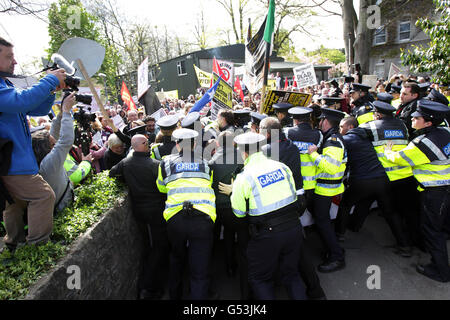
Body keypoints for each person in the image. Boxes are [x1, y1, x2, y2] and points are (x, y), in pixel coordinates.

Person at [0, 37, 66, 249]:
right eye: (9, 56)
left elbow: (33, 109)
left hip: (13, 161)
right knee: (43, 196)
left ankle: (13, 244)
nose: (15, 62)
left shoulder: (5, 85)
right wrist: (49, 80)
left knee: (14, 205)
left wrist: (50, 91)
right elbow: (22, 101)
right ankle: (37, 247)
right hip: (12, 163)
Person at [230, 131, 306, 300]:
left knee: (260, 279)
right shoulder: (282, 167)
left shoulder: (244, 178)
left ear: (244, 153)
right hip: (294, 228)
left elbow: (239, 213)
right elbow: (293, 196)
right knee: (292, 276)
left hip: (267, 235)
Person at [260, 117, 326, 300]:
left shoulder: (265, 151)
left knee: (279, 246)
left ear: (266, 134)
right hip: (297, 201)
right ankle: (315, 290)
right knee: (297, 244)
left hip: (278, 205)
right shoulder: (291, 146)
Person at [384, 100, 450, 282]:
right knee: (443, 226)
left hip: (434, 192)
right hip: (446, 189)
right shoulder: (445, 132)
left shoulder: (423, 143)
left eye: (417, 118)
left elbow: (400, 158)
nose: (412, 119)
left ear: (428, 122)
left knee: (432, 230)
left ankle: (441, 270)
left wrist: (388, 151)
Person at [156, 128, 216, 300]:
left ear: (176, 144)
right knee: (200, 269)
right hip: (203, 218)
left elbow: (161, 187)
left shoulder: (165, 163)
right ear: (195, 144)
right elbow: (208, 183)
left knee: (176, 258)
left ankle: (175, 296)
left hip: (175, 218)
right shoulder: (205, 163)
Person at [109, 134, 169, 299]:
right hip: (156, 212)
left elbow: (112, 174)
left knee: (150, 247)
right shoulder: (156, 165)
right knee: (158, 247)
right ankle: (149, 287)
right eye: (147, 143)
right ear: (142, 144)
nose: (149, 144)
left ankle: (150, 284)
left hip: (139, 212)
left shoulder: (126, 163)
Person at [335, 114, 408, 249]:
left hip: (362, 181)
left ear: (350, 127)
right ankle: (404, 245)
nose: (340, 130)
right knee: (389, 212)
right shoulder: (369, 138)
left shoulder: (346, 139)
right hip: (382, 180)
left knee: (345, 205)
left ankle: (339, 234)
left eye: (341, 127)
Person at [360, 101, 417, 255]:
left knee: (391, 212)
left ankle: (405, 246)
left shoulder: (372, 126)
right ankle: (416, 241)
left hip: (388, 178)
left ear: (377, 114)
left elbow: (354, 134)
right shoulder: (403, 125)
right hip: (407, 175)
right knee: (408, 211)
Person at [209, 131, 250, 299]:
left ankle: (229, 267)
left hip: (220, 207)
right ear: (234, 143)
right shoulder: (242, 157)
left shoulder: (211, 161)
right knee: (243, 239)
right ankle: (245, 273)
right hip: (240, 204)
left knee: (227, 234)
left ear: (218, 144)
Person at [307, 108, 346, 273]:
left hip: (326, 188)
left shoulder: (334, 141)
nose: (319, 123)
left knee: (323, 223)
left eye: (321, 120)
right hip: (326, 187)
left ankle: (337, 256)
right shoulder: (331, 137)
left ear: (326, 121)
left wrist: (313, 155)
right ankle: (333, 248)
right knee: (322, 221)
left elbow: (330, 166)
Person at [31, 92, 76, 214]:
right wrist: (67, 111)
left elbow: (54, 134)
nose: (56, 145)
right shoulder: (49, 164)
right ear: (45, 147)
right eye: (53, 144)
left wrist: (61, 114)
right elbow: (65, 140)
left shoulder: (43, 158)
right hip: (63, 212)